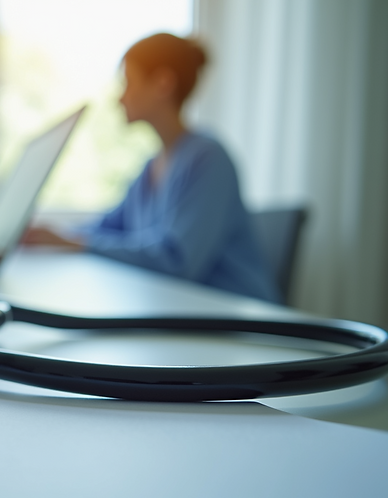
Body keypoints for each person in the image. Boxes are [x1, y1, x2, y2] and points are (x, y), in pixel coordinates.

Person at [26, 33, 280, 303]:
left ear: (162, 83)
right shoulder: (149, 169)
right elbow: (108, 228)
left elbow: (176, 260)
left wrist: (74, 243)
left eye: (128, 83)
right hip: (184, 309)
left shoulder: (208, 158)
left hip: (244, 321)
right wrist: (54, 235)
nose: (120, 98)